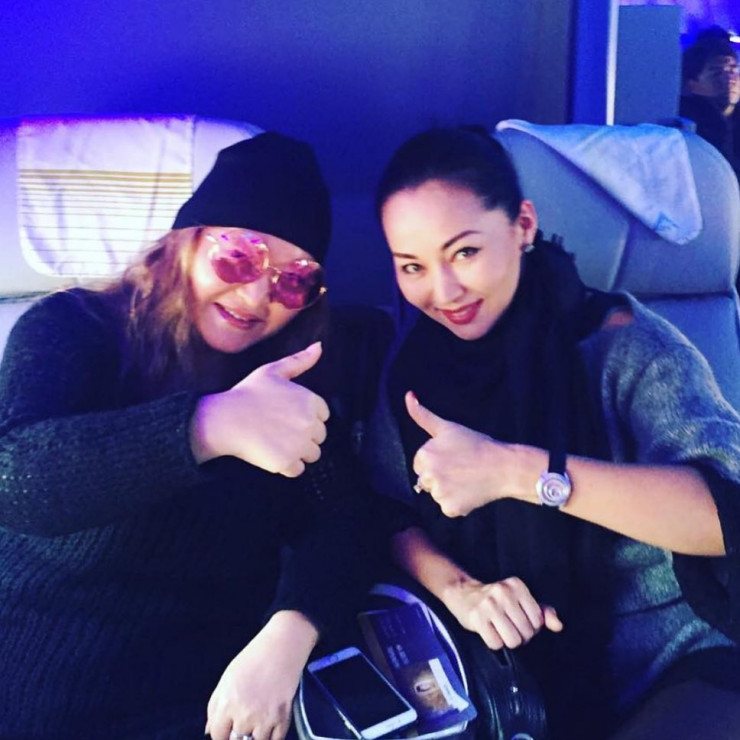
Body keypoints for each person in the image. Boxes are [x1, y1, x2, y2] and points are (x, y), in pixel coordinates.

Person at [0, 131, 381, 740]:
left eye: (293, 281)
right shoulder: (75, 328)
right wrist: (210, 424)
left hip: (204, 706)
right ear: (187, 242)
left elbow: (347, 522)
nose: (256, 296)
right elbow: (15, 478)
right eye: (240, 258)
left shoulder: (292, 382)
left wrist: (290, 633)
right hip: (34, 682)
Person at [367, 126, 740, 738]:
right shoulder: (414, 372)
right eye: (413, 266)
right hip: (508, 678)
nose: (443, 291)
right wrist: (462, 591)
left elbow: (724, 517)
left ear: (523, 225)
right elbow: (388, 514)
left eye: (464, 252)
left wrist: (517, 471)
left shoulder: (626, 346)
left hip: (674, 659)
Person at [679, 26, 740, 180]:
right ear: (691, 84)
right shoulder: (686, 127)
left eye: (733, 70)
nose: (729, 79)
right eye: (717, 72)